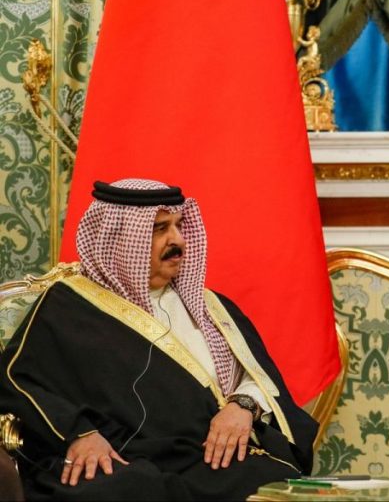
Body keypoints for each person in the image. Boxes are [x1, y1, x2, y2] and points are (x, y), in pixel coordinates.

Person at [0, 179, 318, 500]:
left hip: (204, 457)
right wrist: (80, 433)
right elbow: (17, 380)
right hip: (119, 457)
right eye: (160, 228)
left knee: (271, 477)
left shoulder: (210, 307)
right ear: (120, 237)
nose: (178, 240)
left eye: (179, 225)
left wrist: (243, 406)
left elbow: (257, 376)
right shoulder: (69, 306)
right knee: (126, 490)